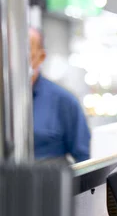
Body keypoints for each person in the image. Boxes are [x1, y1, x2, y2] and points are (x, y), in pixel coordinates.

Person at [30, 28, 91, 163]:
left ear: (41, 57)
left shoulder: (64, 101)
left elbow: (84, 159)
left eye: (25, 51)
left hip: (46, 182)